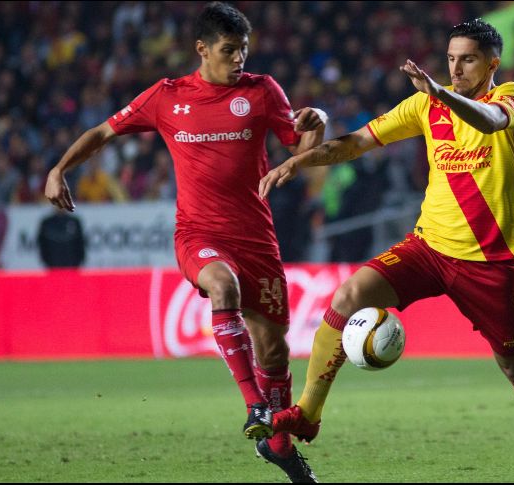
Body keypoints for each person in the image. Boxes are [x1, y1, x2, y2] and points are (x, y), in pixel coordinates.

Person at [259, 19, 514, 483]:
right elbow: (359, 141)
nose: (456, 68)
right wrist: (299, 160)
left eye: (467, 59)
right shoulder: (425, 104)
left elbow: (487, 121)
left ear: (493, 62)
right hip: (427, 247)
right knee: (347, 297)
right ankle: (307, 412)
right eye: (450, 59)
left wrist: (440, 92)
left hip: (488, 263)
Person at [44, 3, 326, 482]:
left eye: (243, 49)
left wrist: (317, 119)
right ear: (202, 49)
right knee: (222, 287)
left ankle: (278, 446)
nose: (239, 58)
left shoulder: (262, 91)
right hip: (198, 234)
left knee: (275, 352)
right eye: (228, 50)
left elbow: (300, 151)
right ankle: (254, 406)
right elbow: (103, 131)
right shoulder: (167, 97)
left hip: (257, 238)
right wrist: (58, 169)